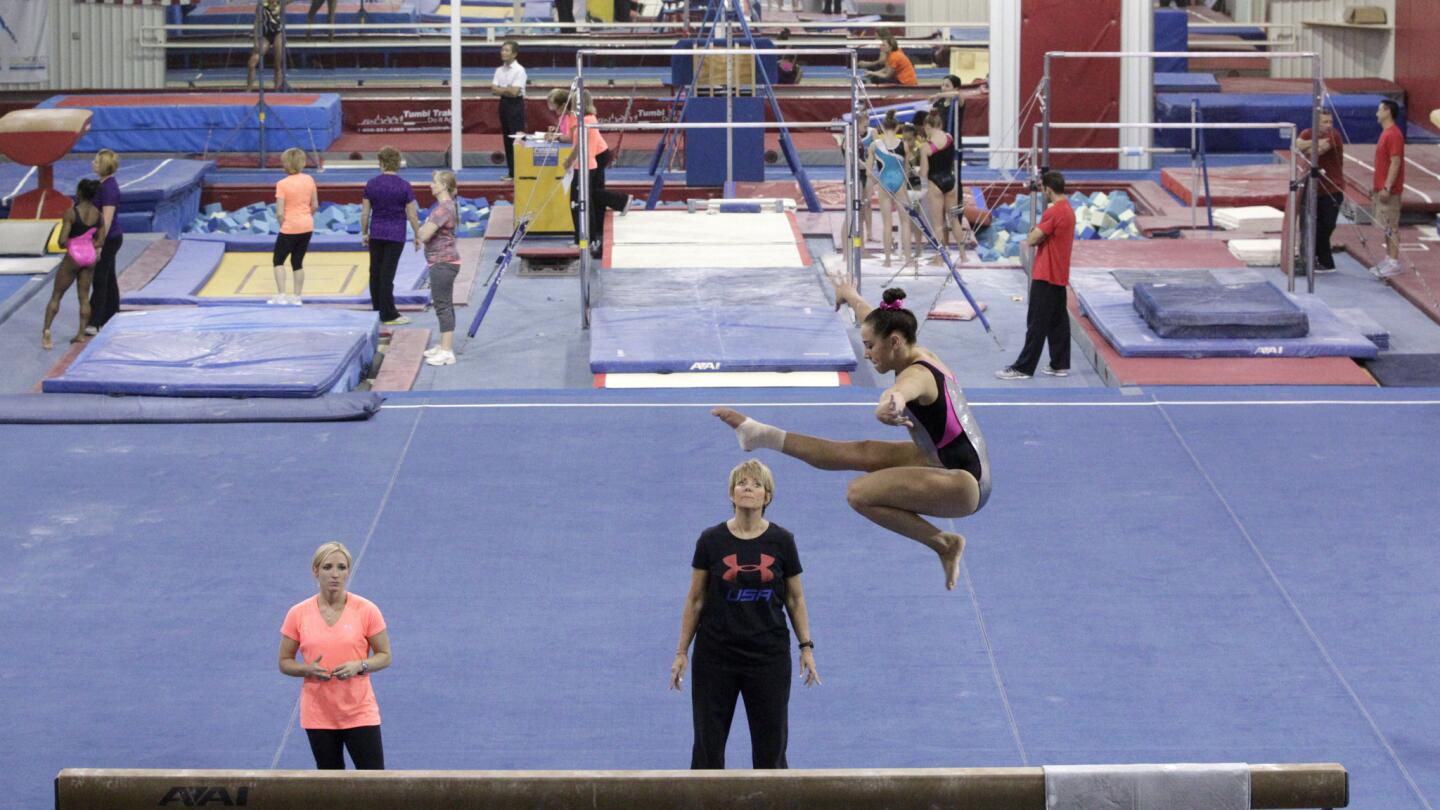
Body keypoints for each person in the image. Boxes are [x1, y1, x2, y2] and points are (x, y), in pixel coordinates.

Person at [714, 285, 991, 591]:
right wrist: (849, 294)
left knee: (859, 493)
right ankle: (761, 434)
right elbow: (871, 317)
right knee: (862, 452)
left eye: (870, 346)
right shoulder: (913, 347)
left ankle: (943, 542)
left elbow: (900, 391)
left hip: (966, 484)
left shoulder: (917, 375)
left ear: (894, 342)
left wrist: (890, 405)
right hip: (946, 458)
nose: (867, 354)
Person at [670, 460, 819, 769]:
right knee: (707, 749)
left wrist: (806, 647)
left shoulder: (782, 541)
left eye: (756, 484)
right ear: (731, 493)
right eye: (742, 483)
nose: (748, 488)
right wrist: (681, 652)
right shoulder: (711, 541)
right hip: (715, 657)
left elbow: (795, 597)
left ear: (767, 496)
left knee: (771, 749)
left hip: (768, 657)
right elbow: (696, 599)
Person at [280, 542, 391, 770]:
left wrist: (360, 665)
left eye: (341, 568)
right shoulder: (298, 614)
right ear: (316, 571)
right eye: (328, 567)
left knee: (375, 783)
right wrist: (306, 669)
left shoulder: (367, 610)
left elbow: (385, 655)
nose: (335, 574)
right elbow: (284, 662)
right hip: (319, 713)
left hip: (359, 711)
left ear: (348, 571)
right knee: (331, 786)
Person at [997, 170, 1074, 380]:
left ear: (1048, 189)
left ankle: (1024, 367)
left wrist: (1034, 232)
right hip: (1059, 274)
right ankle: (1060, 364)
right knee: (1058, 322)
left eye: (1043, 190)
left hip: (1045, 275)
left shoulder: (1054, 211)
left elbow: (1031, 240)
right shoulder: (1068, 209)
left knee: (1036, 323)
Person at [548, 89, 631, 260]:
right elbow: (577, 142)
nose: (556, 112)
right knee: (587, 198)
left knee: (586, 198)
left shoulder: (585, 121)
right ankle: (591, 235)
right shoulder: (583, 119)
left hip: (591, 160)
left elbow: (580, 146)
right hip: (588, 161)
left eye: (556, 108)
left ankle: (589, 236)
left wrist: (570, 162)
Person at [360, 146, 422, 326]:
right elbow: (412, 215)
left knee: (375, 272)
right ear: (397, 164)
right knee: (387, 274)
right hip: (395, 234)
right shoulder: (404, 186)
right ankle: (389, 314)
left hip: (377, 232)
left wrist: (365, 232)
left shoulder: (371, 184)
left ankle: (378, 309)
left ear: (381, 163)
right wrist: (417, 235)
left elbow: (365, 213)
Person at [41, 179, 101, 350]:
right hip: (90, 256)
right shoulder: (99, 214)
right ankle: (81, 334)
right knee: (83, 297)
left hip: (74, 255)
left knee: (56, 295)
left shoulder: (71, 213)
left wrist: (74, 245)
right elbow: (100, 240)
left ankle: (46, 333)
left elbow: (61, 241)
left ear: (79, 193)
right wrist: (87, 245)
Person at [418, 170, 462, 367]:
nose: (430, 185)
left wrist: (421, 229)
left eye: (434, 182)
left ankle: (447, 351)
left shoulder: (442, 209)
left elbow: (424, 235)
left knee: (442, 305)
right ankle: (443, 345)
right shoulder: (445, 207)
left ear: (444, 185)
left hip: (443, 262)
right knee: (443, 304)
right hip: (444, 261)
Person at [1295, 109, 1344, 275]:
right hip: (1314, 189)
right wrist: (1312, 143)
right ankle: (1324, 262)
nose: (1329, 126)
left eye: (1331, 122)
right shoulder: (1307, 132)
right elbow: (1297, 144)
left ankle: (1322, 260)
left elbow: (1317, 151)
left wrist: (1307, 145)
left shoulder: (1335, 135)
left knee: (1327, 227)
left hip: (1333, 188)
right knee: (1314, 227)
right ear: (1316, 123)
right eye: (1325, 122)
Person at [271, 147, 318, 305]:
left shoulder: (282, 184)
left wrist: (283, 224)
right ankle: (297, 297)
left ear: (285, 164)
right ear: (302, 163)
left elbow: (279, 212)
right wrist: (306, 216)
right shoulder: (309, 179)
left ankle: (282, 295)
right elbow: (315, 205)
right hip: (307, 226)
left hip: (290, 226)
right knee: (297, 261)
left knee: (278, 260)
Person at [84, 149, 123, 336]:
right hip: (108, 237)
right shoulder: (103, 184)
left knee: (99, 278)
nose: (93, 163)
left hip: (109, 238)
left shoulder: (109, 189)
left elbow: (106, 219)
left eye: (96, 161)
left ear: (104, 166)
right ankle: (112, 313)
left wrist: (99, 244)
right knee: (109, 277)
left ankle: (94, 321)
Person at [867, 111, 912, 267]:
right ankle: (908, 260)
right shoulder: (904, 145)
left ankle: (887, 260)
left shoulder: (874, 145)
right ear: (898, 126)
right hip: (900, 183)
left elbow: (868, 171)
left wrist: (877, 180)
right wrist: (904, 184)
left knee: (887, 223)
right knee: (905, 223)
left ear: (882, 127)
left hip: (884, 182)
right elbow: (907, 170)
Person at [1371, 99, 1406, 278]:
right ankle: (1388, 258)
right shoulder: (1386, 133)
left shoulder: (1393, 135)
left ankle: (1394, 261)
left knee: (1392, 226)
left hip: (1389, 190)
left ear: (1387, 111)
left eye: (1379, 110)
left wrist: (1387, 187)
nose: (1376, 114)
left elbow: (1396, 162)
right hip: (1381, 187)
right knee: (1386, 226)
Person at [491, 41, 527, 181]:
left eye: (506, 50)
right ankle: (512, 172)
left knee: (517, 139)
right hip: (504, 105)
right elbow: (493, 90)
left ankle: (521, 171)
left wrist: (502, 89)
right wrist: (507, 89)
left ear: (514, 54)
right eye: (502, 50)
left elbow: (514, 92)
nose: (503, 52)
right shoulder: (499, 70)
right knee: (507, 138)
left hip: (516, 105)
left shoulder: (519, 70)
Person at [246, 0, 285, 92]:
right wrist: (255, 41)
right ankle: (248, 90)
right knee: (252, 63)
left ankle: (276, 90)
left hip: (277, 34)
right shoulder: (260, 5)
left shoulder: (280, 2)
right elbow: (256, 23)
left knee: (277, 65)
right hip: (265, 36)